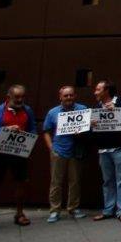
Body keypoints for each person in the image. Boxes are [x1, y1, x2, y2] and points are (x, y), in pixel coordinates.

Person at [0, 84, 36, 231]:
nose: (20, 100)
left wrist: (28, 139)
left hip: (19, 153)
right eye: (17, 97)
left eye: (22, 97)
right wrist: (5, 129)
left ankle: (19, 213)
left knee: (21, 183)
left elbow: (33, 129)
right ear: (8, 97)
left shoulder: (27, 110)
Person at [42, 86, 89, 223]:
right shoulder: (53, 112)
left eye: (71, 95)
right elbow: (46, 131)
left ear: (75, 96)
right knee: (56, 182)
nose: (69, 97)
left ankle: (73, 208)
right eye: (66, 95)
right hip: (59, 150)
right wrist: (51, 148)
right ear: (60, 97)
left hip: (76, 150)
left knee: (75, 181)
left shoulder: (83, 109)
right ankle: (54, 210)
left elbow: (89, 127)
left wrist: (82, 131)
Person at [91, 80, 121, 222]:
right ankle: (108, 209)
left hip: (120, 147)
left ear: (106, 91)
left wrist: (116, 109)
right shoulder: (97, 106)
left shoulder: (120, 102)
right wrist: (92, 124)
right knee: (107, 180)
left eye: (98, 89)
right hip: (104, 149)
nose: (95, 92)